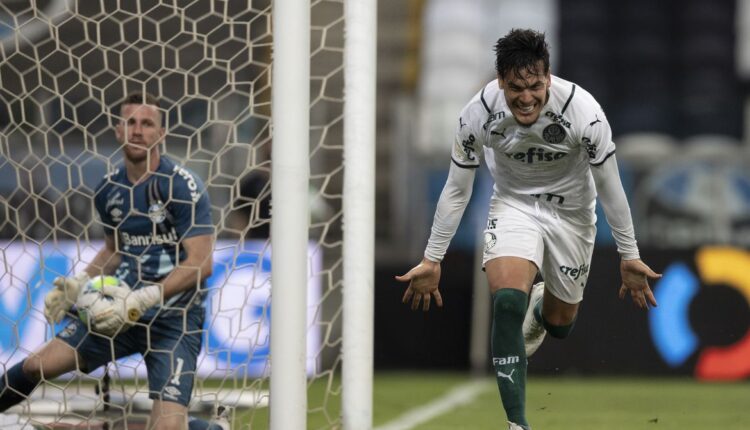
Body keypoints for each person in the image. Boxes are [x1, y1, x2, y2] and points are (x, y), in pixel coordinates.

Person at [395, 29, 662, 430]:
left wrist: (630, 254)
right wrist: (433, 258)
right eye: (516, 87)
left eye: (535, 86)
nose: (526, 97)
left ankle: (540, 308)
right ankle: (517, 423)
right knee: (505, 303)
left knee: (560, 325)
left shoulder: (583, 112)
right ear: (501, 81)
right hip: (514, 205)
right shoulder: (477, 113)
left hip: (572, 215)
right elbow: (456, 189)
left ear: (548, 77)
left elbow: (610, 187)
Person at [0, 92, 227, 430]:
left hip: (173, 321)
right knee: (37, 364)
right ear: (118, 131)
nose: (138, 130)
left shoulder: (182, 186)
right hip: (116, 314)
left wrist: (147, 296)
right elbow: (114, 249)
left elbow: (201, 263)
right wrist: (77, 284)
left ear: (160, 134)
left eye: (147, 123)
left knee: (166, 428)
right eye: (130, 122)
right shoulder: (109, 189)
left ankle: (210, 429)